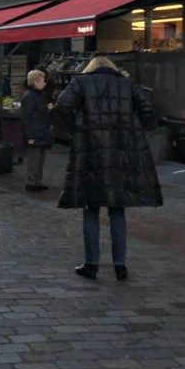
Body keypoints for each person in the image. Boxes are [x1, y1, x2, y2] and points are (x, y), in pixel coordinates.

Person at [56, 55, 162, 281]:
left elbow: (62, 105)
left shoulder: (80, 83)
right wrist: (136, 130)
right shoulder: (127, 84)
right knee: (117, 209)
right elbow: (149, 107)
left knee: (90, 208)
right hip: (121, 152)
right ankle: (120, 264)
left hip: (90, 152)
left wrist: (75, 129)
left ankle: (91, 263)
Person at [19, 69, 54, 192]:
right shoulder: (30, 96)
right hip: (36, 132)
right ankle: (32, 182)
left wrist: (46, 108)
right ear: (36, 81)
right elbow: (26, 117)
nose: (44, 83)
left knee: (39, 159)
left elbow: (35, 112)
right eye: (43, 81)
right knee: (35, 159)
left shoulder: (35, 95)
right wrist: (29, 136)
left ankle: (36, 181)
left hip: (40, 131)